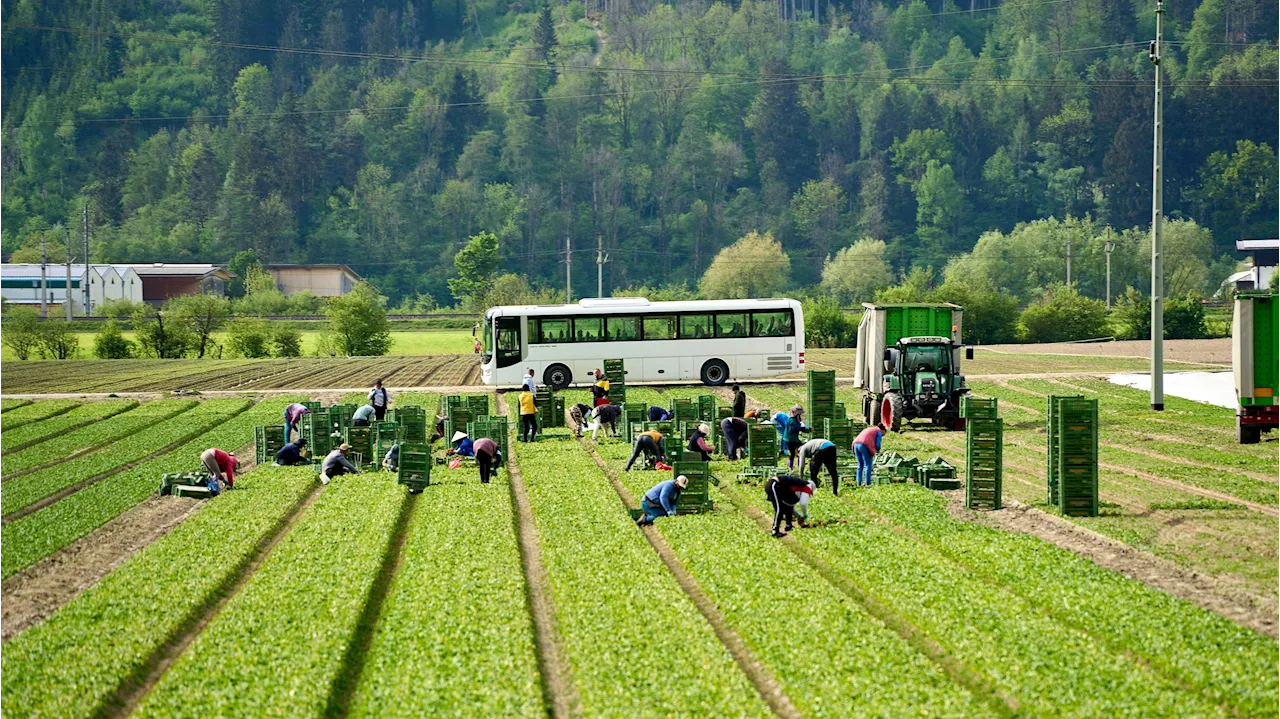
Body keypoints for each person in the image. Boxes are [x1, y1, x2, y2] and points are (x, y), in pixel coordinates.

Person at [853, 423, 887, 488]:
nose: (882, 436)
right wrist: (878, 451)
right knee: (868, 465)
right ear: (883, 431)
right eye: (883, 435)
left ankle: (858, 483)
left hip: (855, 445)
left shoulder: (869, 429)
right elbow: (878, 444)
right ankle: (867, 483)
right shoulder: (879, 432)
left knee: (860, 465)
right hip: (864, 445)